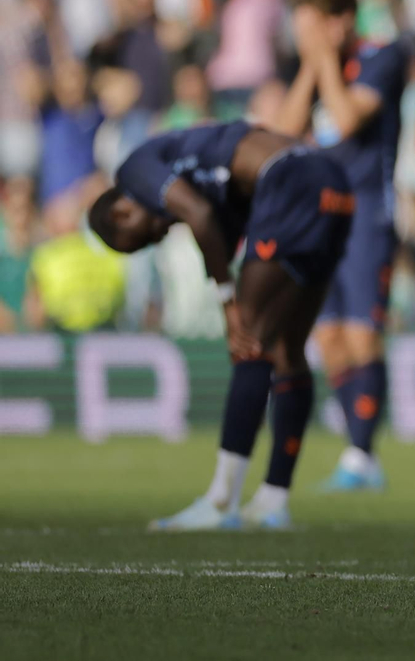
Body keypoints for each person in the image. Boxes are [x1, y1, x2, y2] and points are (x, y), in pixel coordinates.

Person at [88, 122, 354, 530]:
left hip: (288, 179)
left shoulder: (134, 170)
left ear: (123, 210)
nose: (158, 238)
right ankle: (272, 501)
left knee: (249, 340)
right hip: (331, 180)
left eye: (143, 239)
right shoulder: (200, 172)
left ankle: (220, 502)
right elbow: (219, 225)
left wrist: (229, 304)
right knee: (287, 350)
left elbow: (199, 214)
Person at [272, 0, 408, 492]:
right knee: (327, 338)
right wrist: (311, 64)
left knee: (361, 333)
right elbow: (285, 133)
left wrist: (325, 61)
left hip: (367, 209)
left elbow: (348, 118)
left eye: (310, 27)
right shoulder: (307, 66)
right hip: (319, 214)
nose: (301, 37)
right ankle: (360, 456)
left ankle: (360, 454)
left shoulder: (383, 56)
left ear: (341, 21)